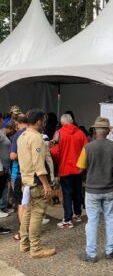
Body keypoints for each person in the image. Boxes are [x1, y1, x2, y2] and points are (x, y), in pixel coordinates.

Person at [77, 117, 113, 263]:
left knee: (92, 221)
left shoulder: (88, 147)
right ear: (108, 131)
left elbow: (80, 168)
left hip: (92, 190)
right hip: (110, 188)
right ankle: (110, 250)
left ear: (94, 131)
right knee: (110, 219)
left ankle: (91, 254)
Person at [17, 109, 56, 258]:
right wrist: (46, 184)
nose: (44, 124)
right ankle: (36, 248)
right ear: (39, 121)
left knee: (27, 212)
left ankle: (25, 244)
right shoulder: (36, 138)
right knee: (37, 214)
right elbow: (39, 164)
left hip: (26, 181)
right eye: (43, 121)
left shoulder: (22, 136)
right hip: (37, 183)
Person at [50, 114, 88, 229]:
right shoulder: (81, 133)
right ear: (72, 121)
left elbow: (54, 152)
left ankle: (67, 219)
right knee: (77, 192)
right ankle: (77, 214)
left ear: (62, 122)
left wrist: (57, 161)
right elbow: (86, 150)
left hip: (65, 168)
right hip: (78, 168)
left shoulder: (59, 133)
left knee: (67, 194)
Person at [0, 120, 16, 216]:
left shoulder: (5, 136)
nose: (14, 133)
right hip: (2, 167)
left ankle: (3, 207)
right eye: (13, 130)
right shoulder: (1, 135)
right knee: (1, 188)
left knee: (5, 188)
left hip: (6, 166)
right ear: (10, 128)